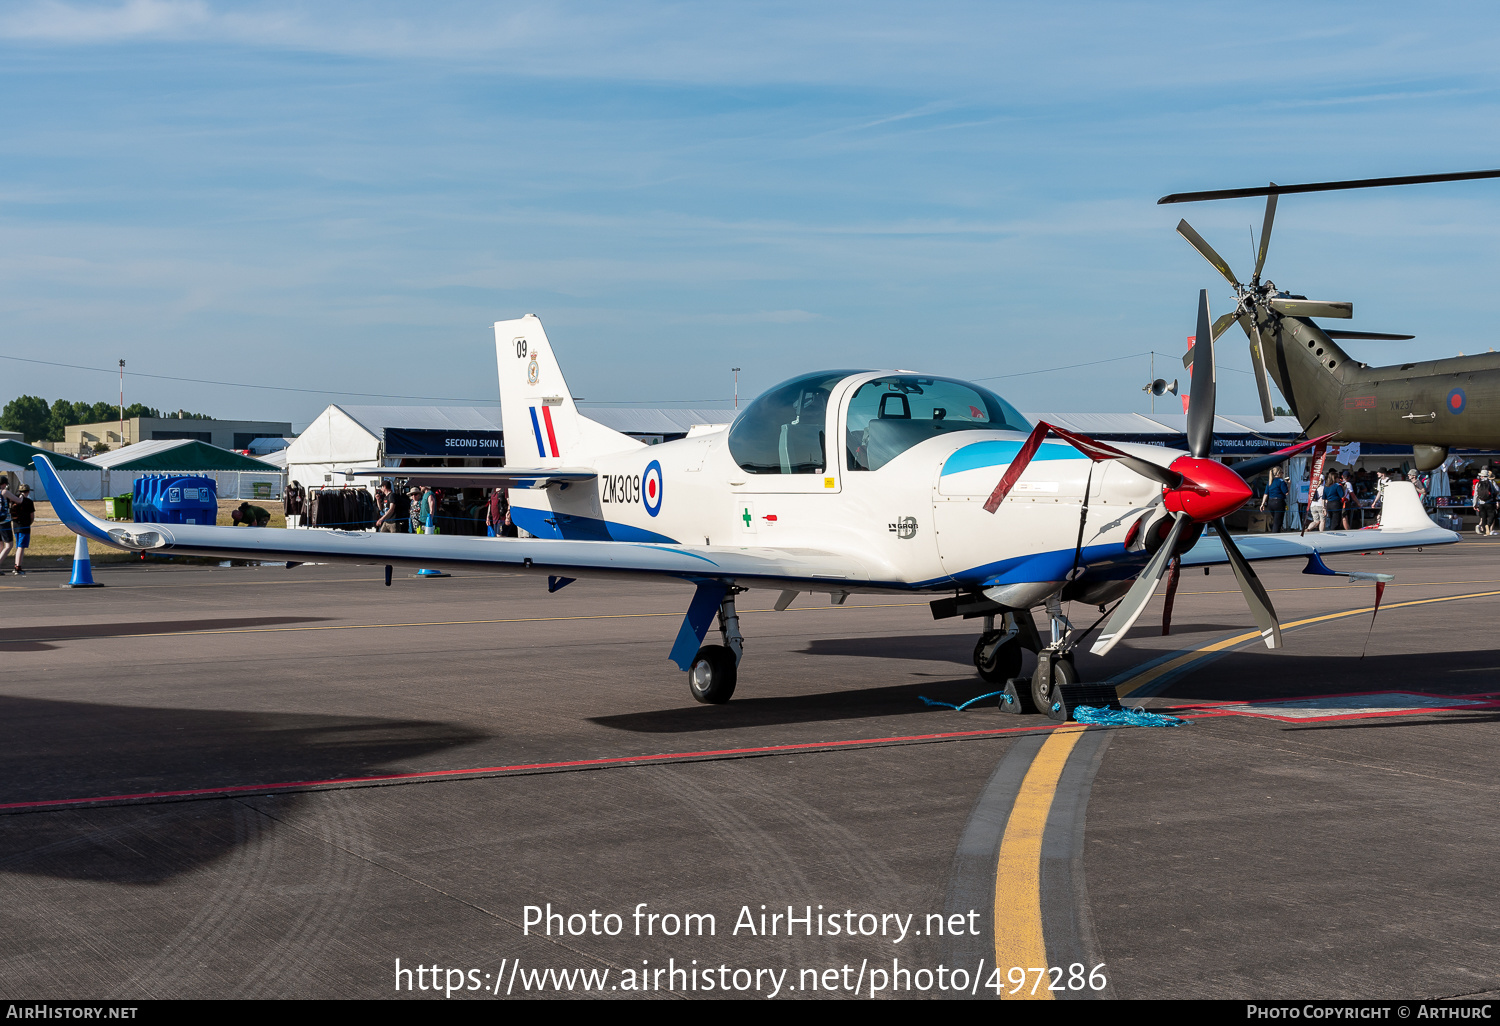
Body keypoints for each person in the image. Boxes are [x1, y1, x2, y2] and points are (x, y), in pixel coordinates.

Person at [10, 484, 34, 575]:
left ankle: (16, 564)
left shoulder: (14, 501)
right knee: (21, 547)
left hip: (15, 525)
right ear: (27, 492)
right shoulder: (29, 502)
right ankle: (18, 567)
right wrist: (29, 523)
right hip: (25, 526)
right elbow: (32, 516)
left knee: (18, 546)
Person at [0, 475, 21, 573]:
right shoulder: (4, 492)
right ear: (4, 484)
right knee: (9, 545)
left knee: (0, 545)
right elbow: (19, 501)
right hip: (4, 522)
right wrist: (22, 495)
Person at [1260, 467, 1289, 532]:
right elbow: (1286, 492)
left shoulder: (1270, 482)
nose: (1283, 474)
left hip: (1270, 502)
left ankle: (1276, 531)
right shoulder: (1281, 482)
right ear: (1279, 473)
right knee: (1277, 522)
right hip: (1279, 502)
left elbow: (1266, 494)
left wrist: (1262, 504)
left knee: (1276, 520)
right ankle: (1275, 534)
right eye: (1282, 472)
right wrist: (1289, 484)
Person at [1476, 468, 1498, 537]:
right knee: (1492, 515)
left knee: (1483, 516)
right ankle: (1488, 526)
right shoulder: (1491, 482)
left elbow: (1475, 495)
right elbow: (1497, 490)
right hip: (1490, 502)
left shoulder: (1478, 483)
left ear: (1481, 476)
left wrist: (1475, 504)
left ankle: (1485, 531)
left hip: (1481, 503)